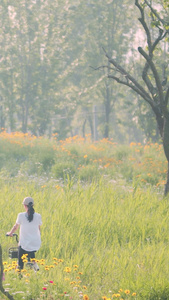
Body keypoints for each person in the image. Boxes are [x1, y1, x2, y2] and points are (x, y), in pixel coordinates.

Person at [7, 197, 42, 271]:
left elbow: (15, 227)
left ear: (25, 206)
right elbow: (39, 229)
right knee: (31, 251)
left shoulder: (21, 215)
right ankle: (35, 265)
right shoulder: (38, 216)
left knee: (21, 257)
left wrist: (10, 233)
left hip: (24, 242)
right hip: (35, 242)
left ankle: (20, 272)